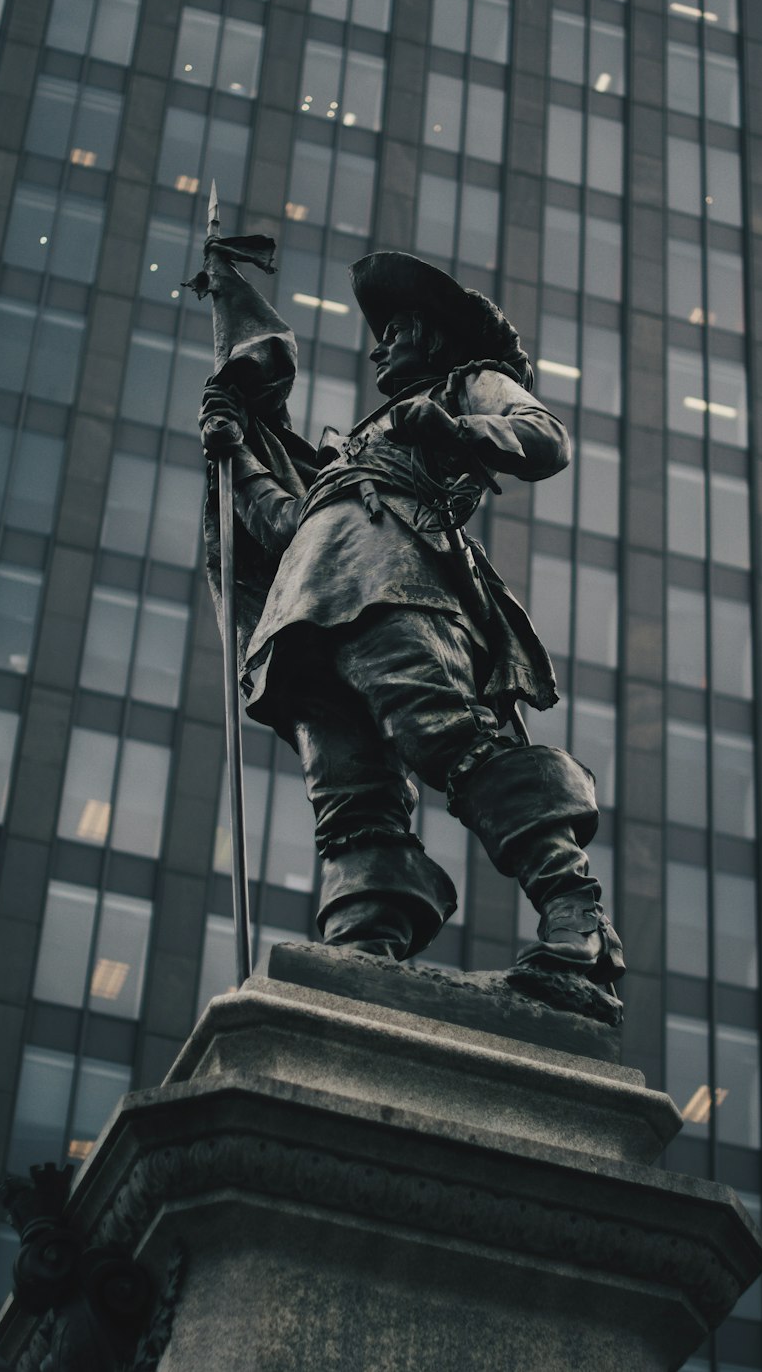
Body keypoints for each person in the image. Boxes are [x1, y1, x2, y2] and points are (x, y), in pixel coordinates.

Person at [197, 243, 624, 1002]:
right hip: (310, 615)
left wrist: (457, 432)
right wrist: (240, 455)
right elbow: (296, 526)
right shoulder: (355, 443)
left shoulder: (467, 384)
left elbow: (544, 437)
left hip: (397, 588)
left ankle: (574, 914)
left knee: (445, 733)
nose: (378, 344)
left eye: (394, 329)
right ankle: (365, 949)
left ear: (432, 335)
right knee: (350, 796)